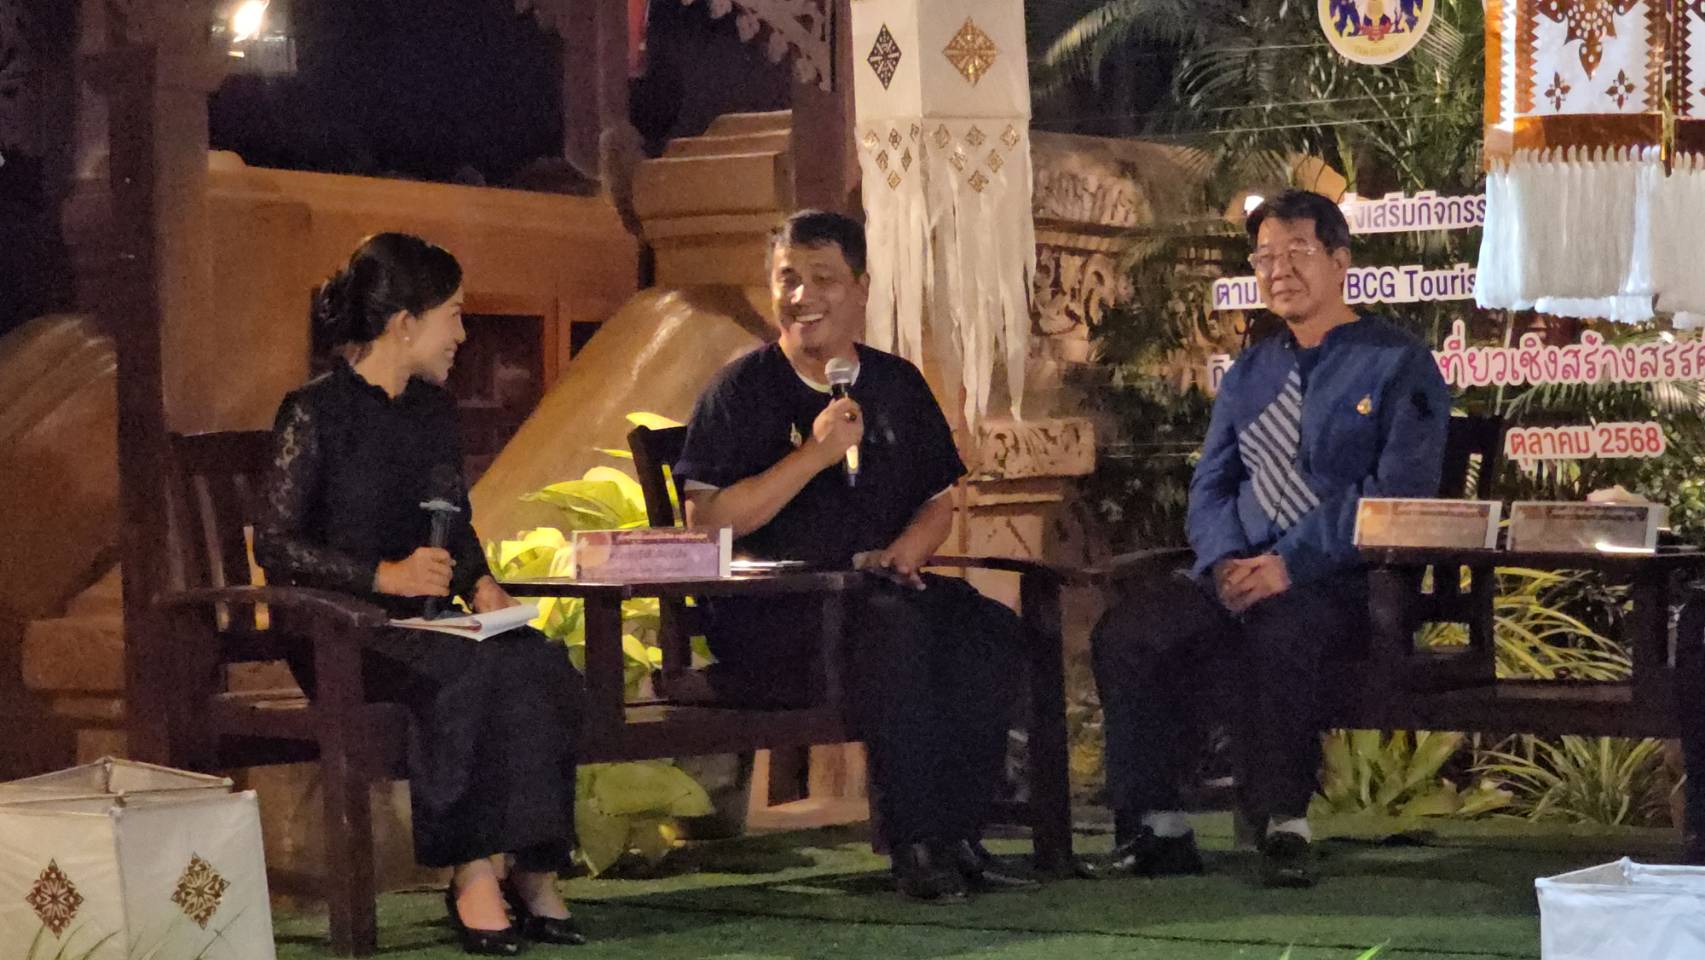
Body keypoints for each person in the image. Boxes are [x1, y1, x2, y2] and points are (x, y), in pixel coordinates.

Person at [1091, 189, 1452, 887]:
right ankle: (1156, 826)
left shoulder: (1395, 362)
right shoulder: (1250, 373)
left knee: (1279, 629)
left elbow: (1396, 494)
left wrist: (1289, 563)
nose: (1278, 269)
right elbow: (1212, 484)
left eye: (1296, 252)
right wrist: (1225, 560)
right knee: (1128, 633)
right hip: (1238, 572)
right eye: (1264, 257)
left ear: (1340, 261)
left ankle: (1283, 824)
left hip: (1341, 582)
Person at [672, 210, 1034, 903]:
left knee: (984, 627)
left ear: (861, 287)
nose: (802, 296)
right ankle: (915, 844)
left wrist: (906, 552)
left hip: (880, 592)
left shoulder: (896, 384)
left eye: (823, 279)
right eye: (788, 279)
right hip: (775, 615)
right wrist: (813, 455)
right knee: (897, 632)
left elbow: (937, 500)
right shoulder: (738, 391)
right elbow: (708, 522)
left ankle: (960, 834)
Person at [255, 233, 585, 955]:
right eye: (453, 315)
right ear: (405, 323)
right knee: (467, 672)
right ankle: (470, 872)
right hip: (341, 635)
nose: (463, 335)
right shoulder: (314, 411)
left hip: (424, 626)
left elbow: (454, 525)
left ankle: (533, 866)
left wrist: (483, 584)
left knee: (536, 659)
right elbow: (276, 545)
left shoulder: (432, 411)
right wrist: (384, 577)